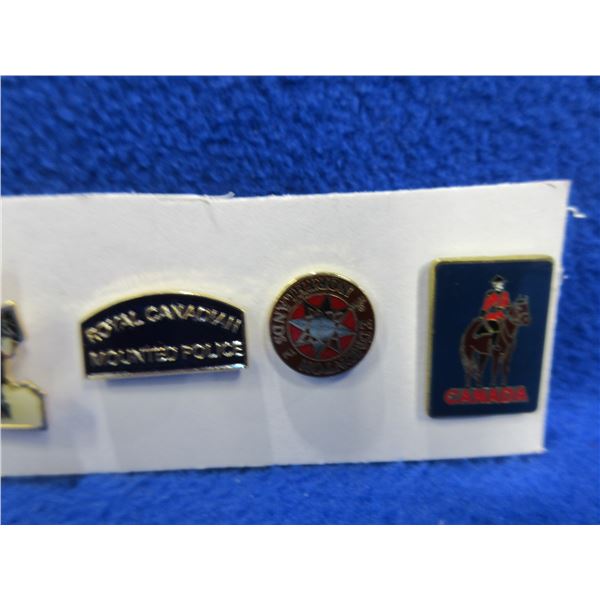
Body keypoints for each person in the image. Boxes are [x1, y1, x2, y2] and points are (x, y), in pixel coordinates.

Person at [476, 275, 510, 347]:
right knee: (495, 326)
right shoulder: (490, 294)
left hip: (502, 316)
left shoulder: (506, 294)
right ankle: (493, 344)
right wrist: (483, 314)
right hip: (492, 316)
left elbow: (507, 305)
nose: (502, 284)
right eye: (500, 283)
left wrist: (507, 310)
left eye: (502, 283)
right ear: (494, 284)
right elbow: (486, 305)